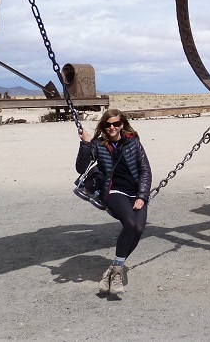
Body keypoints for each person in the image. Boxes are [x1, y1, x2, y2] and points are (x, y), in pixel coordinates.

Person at [76, 109, 152, 296]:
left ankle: (113, 269)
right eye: (108, 124)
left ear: (122, 125)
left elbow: (145, 171)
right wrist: (85, 144)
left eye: (116, 124)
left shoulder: (134, 143)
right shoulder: (98, 144)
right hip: (113, 191)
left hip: (134, 193)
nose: (112, 128)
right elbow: (80, 168)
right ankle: (118, 272)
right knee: (130, 223)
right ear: (103, 126)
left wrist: (142, 196)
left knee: (139, 229)